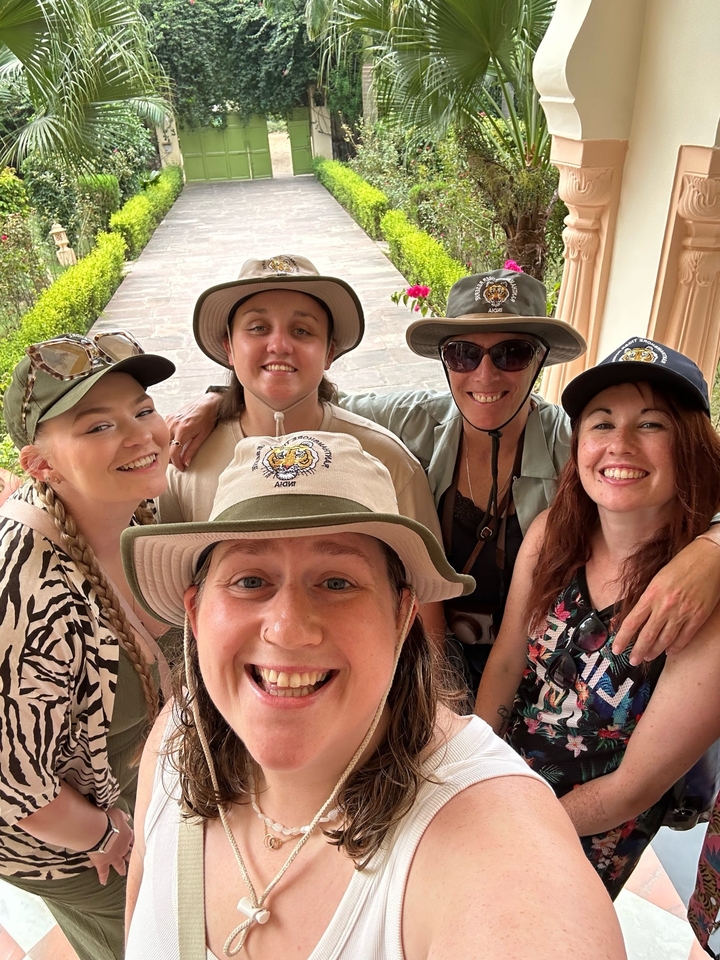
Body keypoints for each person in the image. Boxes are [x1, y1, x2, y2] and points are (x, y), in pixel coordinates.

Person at [121, 430, 625, 960]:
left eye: (337, 582)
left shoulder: (490, 834)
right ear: (197, 613)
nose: (288, 629)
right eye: (250, 580)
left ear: (403, 615)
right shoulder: (176, 735)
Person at [168, 267, 720, 694]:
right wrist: (221, 399)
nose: (484, 375)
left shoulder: (574, 442)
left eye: (511, 352)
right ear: (444, 361)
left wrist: (713, 546)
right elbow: (307, 399)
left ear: (540, 360)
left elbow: (682, 467)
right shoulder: (409, 421)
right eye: (462, 353)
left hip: (535, 677)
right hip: (427, 664)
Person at [475, 338, 720, 898]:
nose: (620, 445)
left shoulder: (702, 600)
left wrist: (512, 825)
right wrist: (472, 765)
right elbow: (509, 658)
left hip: (585, 827)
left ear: (690, 447)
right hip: (497, 783)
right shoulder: (552, 536)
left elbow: (633, 787)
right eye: (601, 424)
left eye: (652, 425)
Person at [161, 253, 447, 640]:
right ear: (229, 346)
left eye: (302, 331)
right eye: (258, 328)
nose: (279, 344)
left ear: (329, 351)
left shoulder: (386, 461)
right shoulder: (187, 465)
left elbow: (425, 614)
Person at [0, 331, 176, 960]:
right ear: (41, 465)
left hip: (127, 784)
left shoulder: (135, 507)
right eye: (98, 426)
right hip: (64, 839)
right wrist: (105, 836)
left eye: (143, 410)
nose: (139, 437)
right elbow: (12, 782)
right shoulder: (27, 589)